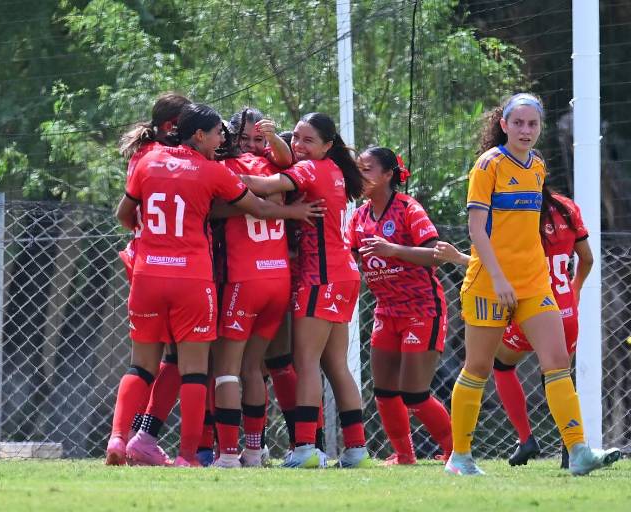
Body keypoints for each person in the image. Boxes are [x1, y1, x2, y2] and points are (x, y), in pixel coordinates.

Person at [114, 103, 324, 467]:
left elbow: (125, 214)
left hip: (155, 273)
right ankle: (240, 451)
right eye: (221, 134)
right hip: (232, 277)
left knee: (154, 366)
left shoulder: (149, 160)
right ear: (196, 133)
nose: (224, 141)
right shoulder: (231, 169)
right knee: (239, 366)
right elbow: (260, 201)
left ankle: (128, 439)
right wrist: (291, 211)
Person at [443, 93, 619, 476]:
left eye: (533, 124)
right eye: (518, 123)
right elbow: (476, 228)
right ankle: (460, 458)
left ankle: (578, 452)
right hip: (489, 284)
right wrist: (499, 278)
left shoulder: (537, 165)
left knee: (556, 362)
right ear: (503, 124)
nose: (526, 130)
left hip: (534, 283)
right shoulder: (487, 165)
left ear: (540, 127)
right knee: (477, 367)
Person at [239, 112, 371, 469]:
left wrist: (219, 174)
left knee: (307, 362)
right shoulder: (334, 171)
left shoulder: (312, 169)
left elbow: (265, 187)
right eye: (295, 137)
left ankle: (305, 449)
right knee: (336, 366)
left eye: (307, 140)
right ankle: (357, 450)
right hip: (345, 277)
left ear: (328, 145)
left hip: (321, 278)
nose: (298, 145)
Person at [434, 183, 593, 469]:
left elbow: (508, 270)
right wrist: (575, 289)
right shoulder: (567, 208)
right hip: (565, 309)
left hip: (530, 304)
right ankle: (572, 446)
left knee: (498, 364)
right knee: (558, 374)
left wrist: (458, 257)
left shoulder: (517, 212)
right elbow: (588, 258)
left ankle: (524, 437)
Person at [347, 146, 452, 465]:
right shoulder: (359, 216)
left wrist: (392, 250)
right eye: (358, 170)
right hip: (386, 310)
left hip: (422, 308)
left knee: (414, 393)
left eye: (366, 169)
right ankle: (404, 455)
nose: (360, 176)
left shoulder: (408, 208)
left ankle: (455, 450)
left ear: (388, 175)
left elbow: (436, 253)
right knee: (384, 390)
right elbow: (351, 257)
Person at [106, 92, 191, 466]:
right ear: (174, 127)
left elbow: (125, 213)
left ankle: (119, 439)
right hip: (174, 266)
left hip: (140, 261)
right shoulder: (174, 158)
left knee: (142, 362)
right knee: (176, 358)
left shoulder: (141, 156)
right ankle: (148, 438)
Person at [209, 118, 293, 468]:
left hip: (244, 280)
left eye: (258, 139)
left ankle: (228, 453)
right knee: (252, 369)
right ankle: (255, 451)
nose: (251, 145)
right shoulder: (275, 167)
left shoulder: (223, 167)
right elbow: (285, 169)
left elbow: (212, 210)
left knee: (225, 369)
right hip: (279, 279)